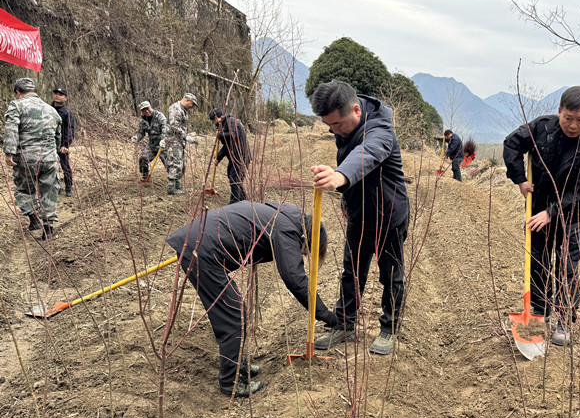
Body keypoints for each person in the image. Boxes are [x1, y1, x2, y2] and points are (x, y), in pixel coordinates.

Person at [166, 201, 338, 397]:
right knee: (233, 315)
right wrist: (325, 315)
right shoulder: (287, 230)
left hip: (200, 243)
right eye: (304, 250)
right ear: (307, 238)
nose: (301, 253)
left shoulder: (285, 216)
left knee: (236, 311)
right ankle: (230, 383)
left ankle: (237, 364)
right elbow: (295, 279)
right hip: (202, 252)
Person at [502, 86, 580, 346]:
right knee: (537, 259)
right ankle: (539, 310)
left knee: (567, 265)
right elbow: (511, 144)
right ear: (559, 111)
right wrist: (520, 179)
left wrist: (552, 213)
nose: (573, 125)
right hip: (538, 204)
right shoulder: (542, 128)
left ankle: (563, 318)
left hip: (574, 214)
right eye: (568, 118)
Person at [310, 80, 408, 356]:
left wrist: (340, 176)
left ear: (356, 110)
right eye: (329, 126)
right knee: (351, 272)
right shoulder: (346, 124)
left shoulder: (381, 130)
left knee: (391, 276)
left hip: (389, 216)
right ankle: (345, 325)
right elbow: (349, 156)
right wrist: (346, 197)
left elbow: (367, 154)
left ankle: (389, 328)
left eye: (337, 125)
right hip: (359, 215)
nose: (334, 131)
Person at [3, 78, 62, 240]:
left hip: (26, 158)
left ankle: (34, 219)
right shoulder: (52, 110)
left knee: (24, 189)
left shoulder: (17, 105)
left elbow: (11, 130)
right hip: (49, 157)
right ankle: (48, 229)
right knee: (49, 190)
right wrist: (54, 152)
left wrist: (8, 153)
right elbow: (58, 136)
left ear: (18, 92)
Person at [209, 109, 251, 203]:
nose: (214, 124)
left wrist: (221, 135)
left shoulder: (231, 122)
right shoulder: (224, 124)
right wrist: (218, 158)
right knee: (232, 176)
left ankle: (234, 202)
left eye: (213, 121)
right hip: (234, 156)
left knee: (235, 179)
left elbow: (234, 135)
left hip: (241, 156)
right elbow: (227, 146)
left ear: (216, 118)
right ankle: (243, 199)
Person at [165, 92, 197, 195]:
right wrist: (185, 136)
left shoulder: (183, 110)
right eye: (192, 104)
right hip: (174, 141)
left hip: (179, 141)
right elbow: (174, 126)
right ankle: (172, 187)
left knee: (181, 164)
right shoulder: (176, 109)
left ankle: (177, 185)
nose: (192, 106)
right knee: (175, 163)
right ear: (187, 100)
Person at [131, 101, 168, 180]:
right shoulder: (143, 119)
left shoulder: (160, 116)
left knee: (168, 162)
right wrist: (136, 138)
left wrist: (163, 139)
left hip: (163, 144)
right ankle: (145, 176)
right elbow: (141, 132)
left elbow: (165, 130)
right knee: (143, 158)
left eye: (147, 109)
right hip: (152, 144)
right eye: (144, 110)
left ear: (151, 107)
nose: (146, 111)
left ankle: (174, 180)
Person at [51, 87, 77, 197]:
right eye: (56, 93)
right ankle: (53, 188)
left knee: (65, 167)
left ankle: (68, 187)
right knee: (49, 167)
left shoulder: (67, 113)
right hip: (48, 143)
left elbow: (70, 130)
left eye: (60, 95)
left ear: (65, 98)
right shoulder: (47, 109)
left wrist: (65, 145)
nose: (57, 96)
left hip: (61, 145)